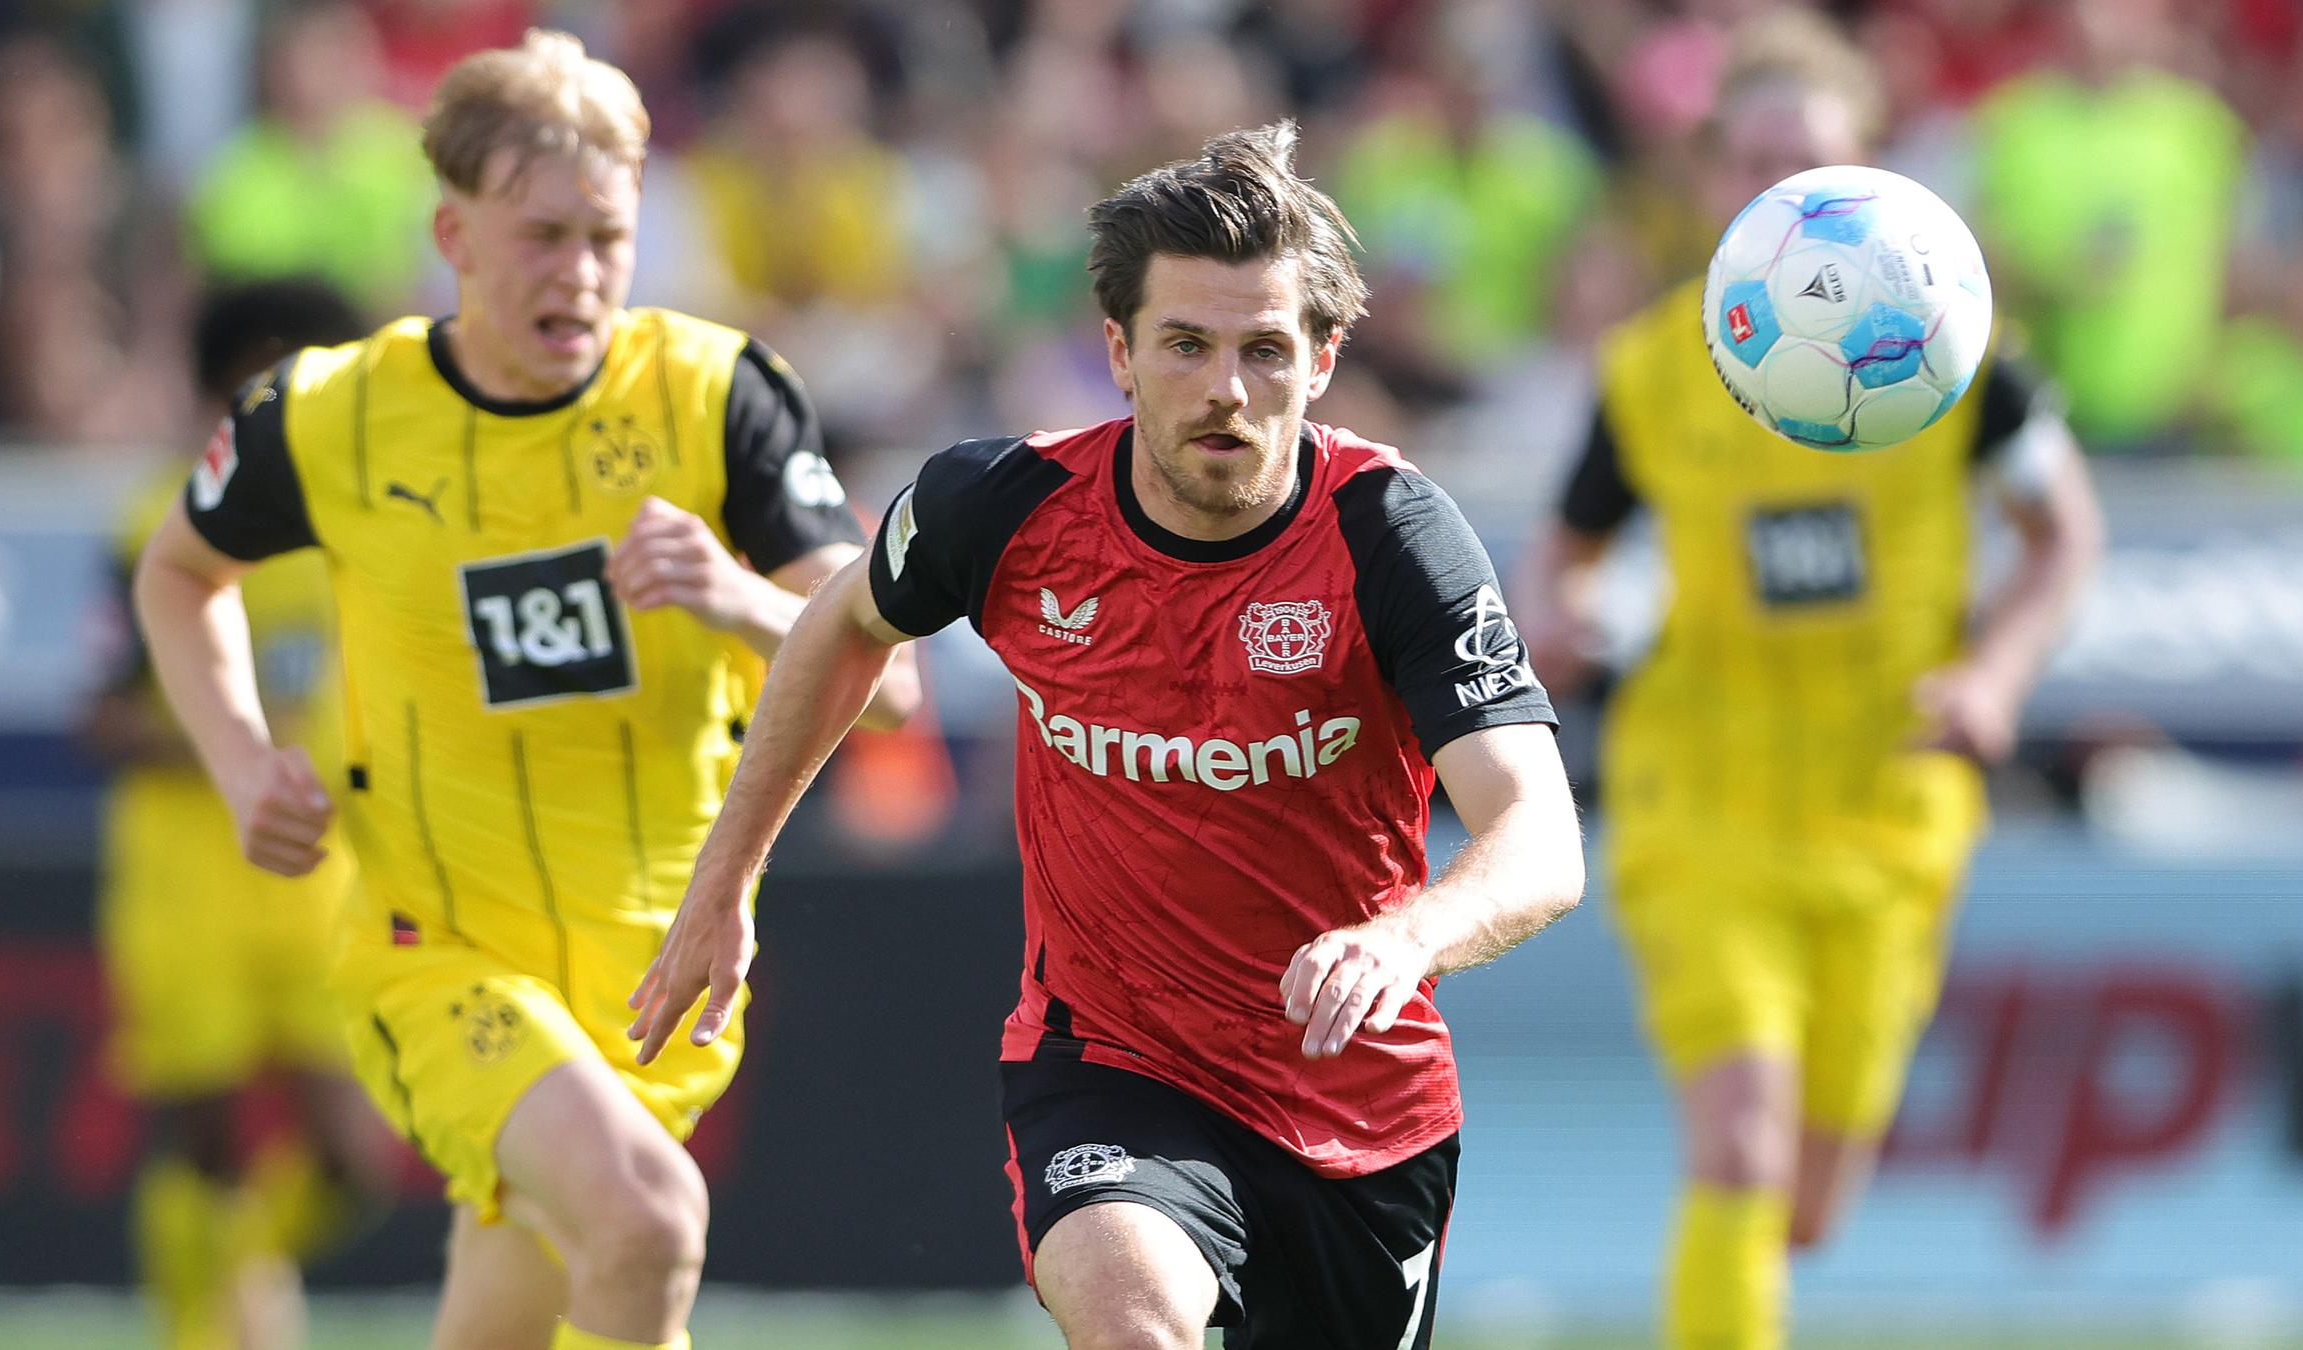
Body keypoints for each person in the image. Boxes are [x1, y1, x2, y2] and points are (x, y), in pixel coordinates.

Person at [632, 122, 1588, 1350]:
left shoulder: (1395, 535)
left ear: (1323, 360)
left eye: (1264, 351)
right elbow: (843, 625)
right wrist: (728, 876)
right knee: (1133, 1321)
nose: (1225, 389)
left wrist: (1408, 937)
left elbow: (1539, 835)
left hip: (1360, 1104)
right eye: (1185, 345)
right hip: (1113, 1063)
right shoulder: (1003, 506)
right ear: (1119, 354)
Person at [132, 31, 918, 1350]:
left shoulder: (716, 396)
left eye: (608, 235)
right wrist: (239, 756)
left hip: (655, 973)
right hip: (434, 951)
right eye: (543, 234)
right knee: (647, 1219)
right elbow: (178, 568)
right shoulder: (337, 414)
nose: (582, 274)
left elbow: (887, 683)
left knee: (519, 1308)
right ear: (454, 231)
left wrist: (735, 599)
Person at [1513, 16, 2105, 1349]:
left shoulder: (1951, 348)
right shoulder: (1659, 369)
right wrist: (1564, 615)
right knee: (1742, 1141)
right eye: (1756, 163)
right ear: (1714, 174)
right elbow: (1566, 549)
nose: (1782, 192)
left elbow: (2065, 532)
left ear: (1871, 176)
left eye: (1814, 165)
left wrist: (1995, 675)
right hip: (1705, 801)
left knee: (1809, 1201)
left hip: (1890, 806)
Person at [90, 278, 391, 1350]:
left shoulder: (367, 527)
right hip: (186, 871)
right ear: (234, 380)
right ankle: (202, 1334)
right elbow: (103, 718)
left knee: (354, 1158)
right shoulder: (158, 520)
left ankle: (236, 1280)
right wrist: (236, 754)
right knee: (205, 1142)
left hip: (320, 877)